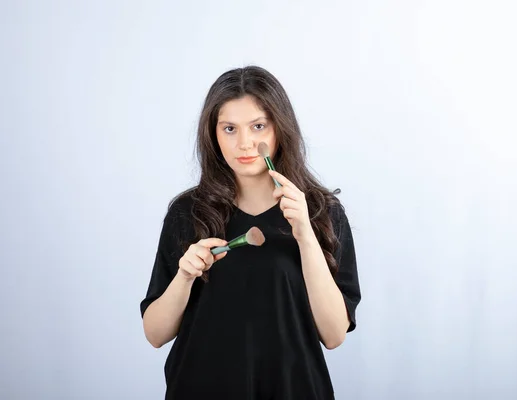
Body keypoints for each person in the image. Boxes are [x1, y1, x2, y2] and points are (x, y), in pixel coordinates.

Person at [140, 65, 361, 399]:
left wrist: (304, 233)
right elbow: (155, 334)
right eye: (229, 128)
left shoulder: (321, 212)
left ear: (279, 129)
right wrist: (184, 276)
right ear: (213, 134)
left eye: (258, 126)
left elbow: (333, 335)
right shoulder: (188, 213)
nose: (244, 143)